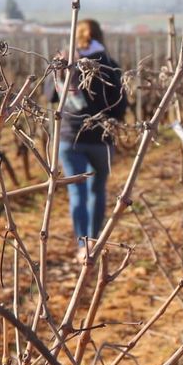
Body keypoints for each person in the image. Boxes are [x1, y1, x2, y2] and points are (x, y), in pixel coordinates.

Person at [52, 19, 127, 257]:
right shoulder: (109, 64)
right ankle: (94, 242)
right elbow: (120, 105)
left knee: (77, 193)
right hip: (100, 139)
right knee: (97, 190)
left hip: (69, 137)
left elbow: (51, 96)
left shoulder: (66, 62)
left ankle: (82, 245)